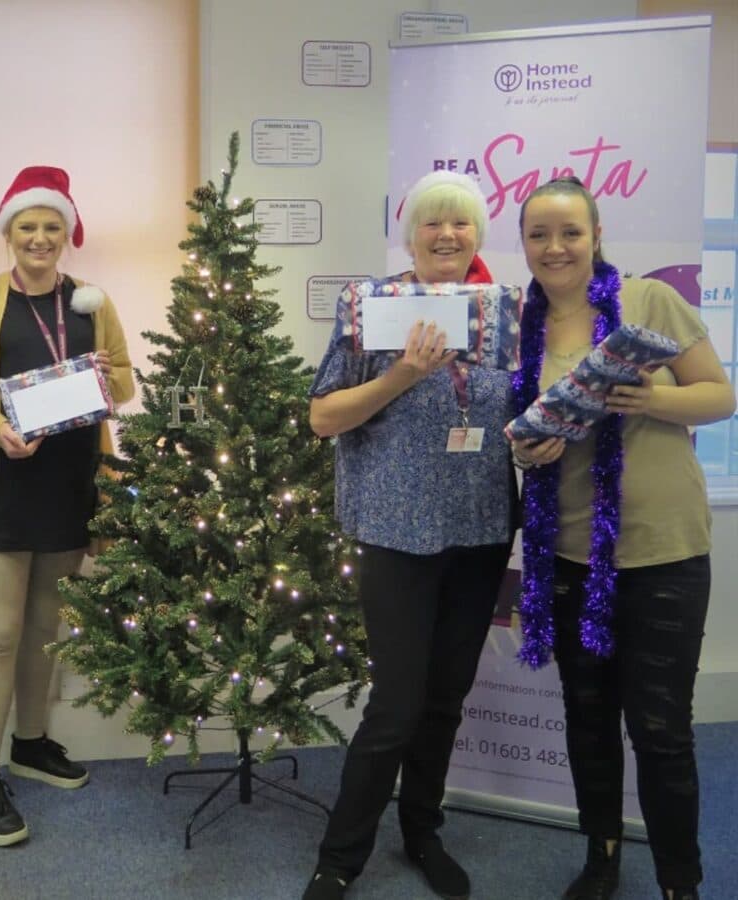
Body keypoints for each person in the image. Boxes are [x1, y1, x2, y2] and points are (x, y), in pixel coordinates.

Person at [509, 176, 735, 900]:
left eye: (570, 232)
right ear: (524, 245)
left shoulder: (646, 302)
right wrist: (527, 451)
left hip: (664, 549)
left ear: (596, 235)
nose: (555, 247)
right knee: (588, 718)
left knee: (662, 730)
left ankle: (680, 880)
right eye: (539, 234)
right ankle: (601, 854)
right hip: (571, 551)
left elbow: (721, 395)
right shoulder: (523, 325)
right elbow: (523, 426)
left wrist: (650, 398)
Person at [302, 171, 518, 900]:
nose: (447, 236)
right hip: (397, 530)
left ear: (478, 236)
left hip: (480, 527)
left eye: (460, 224)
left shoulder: (505, 315)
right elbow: (324, 417)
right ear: (409, 234)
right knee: (395, 706)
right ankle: (340, 858)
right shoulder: (372, 306)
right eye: (431, 224)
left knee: (446, 697)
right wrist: (401, 374)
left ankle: (423, 832)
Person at [0, 165, 134, 847]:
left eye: (52, 227)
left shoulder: (92, 300)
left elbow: (126, 382)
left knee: (48, 625)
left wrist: (109, 378)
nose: (41, 238)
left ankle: (30, 742)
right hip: (8, 484)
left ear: (67, 232)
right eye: (28, 227)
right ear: (10, 234)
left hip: (71, 486)